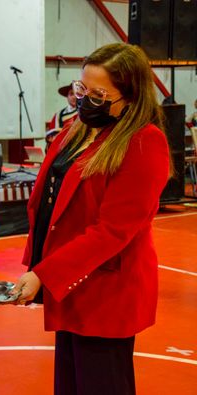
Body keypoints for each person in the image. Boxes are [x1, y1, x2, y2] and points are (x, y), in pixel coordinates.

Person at [12, 43, 170, 395]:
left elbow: (113, 231)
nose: (85, 100)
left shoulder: (144, 143)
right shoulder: (76, 131)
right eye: (82, 89)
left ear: (129, 99)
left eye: (99, 94)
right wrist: (37, 264)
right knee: (70, 385)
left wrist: (44, 273)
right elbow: (47, 203)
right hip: (69, 284)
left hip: (105, 291)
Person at [46, 84, 78, 150]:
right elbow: (50, 137)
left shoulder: (83, 113)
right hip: (60, 149)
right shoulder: (58, 114)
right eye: (71, 94)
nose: (74, 97)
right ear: (67, 97)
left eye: (76, 94)